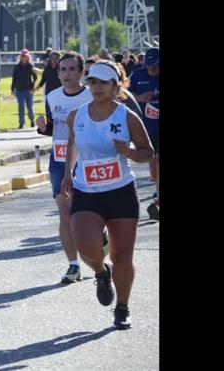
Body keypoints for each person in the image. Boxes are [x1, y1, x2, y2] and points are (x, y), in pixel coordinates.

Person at [60, 59, 154, 329]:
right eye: (93, 82)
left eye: (103, 82)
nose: (97, 87)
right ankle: (102, 274)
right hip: (87, 191)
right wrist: (68, 173)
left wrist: (129, 152)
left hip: (121, 191)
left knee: (123, 255)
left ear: (116, 86)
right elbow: (72, 144)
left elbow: (147, 153)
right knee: (86, 247)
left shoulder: (127, 116)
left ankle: (122, 308)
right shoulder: (76, 115)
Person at [36, 51, 108, 284]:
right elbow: (52, 128)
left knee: (89, 212)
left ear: (81, 72)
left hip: (88, 159)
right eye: (62, 70)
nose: (66, 74)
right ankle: (73, 265)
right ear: (57, 73)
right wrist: (41, 127)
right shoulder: (53, 96)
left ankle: (101, 234)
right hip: (59, 160)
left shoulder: (91, 96)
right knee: (65, 211)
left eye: (71, 69)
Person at [128, 47, 159, 220]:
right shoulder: (138, 74)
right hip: (146, 126)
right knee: (153, 166)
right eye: (149, 66)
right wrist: (138, 98)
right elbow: (123, 92)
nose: (151, 70)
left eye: (155, 66)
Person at [11, 49, 38, 129]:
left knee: (30, 106)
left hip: (28, 90)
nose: (24, 58)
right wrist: (13, 88)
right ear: (20, 57)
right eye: (22, 56)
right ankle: (21, 123)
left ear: (28, 57)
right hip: (19, 90)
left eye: (25, 56)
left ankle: (32, 120)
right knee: (21, 107)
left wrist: (33, 87)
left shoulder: (31, 66)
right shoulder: (17, 67)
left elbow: (35, 77)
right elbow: (14, 78)